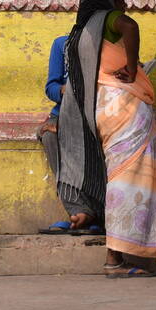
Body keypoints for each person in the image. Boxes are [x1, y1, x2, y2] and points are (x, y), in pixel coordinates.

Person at [57, 0, 156, 277]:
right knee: (130, 178)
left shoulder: (80, 32)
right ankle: (117, 256)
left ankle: (141, 252)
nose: (123, 5)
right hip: (123, 106)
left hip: (104, 108)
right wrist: (132, 62)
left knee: (149, 166)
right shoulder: (106, 17)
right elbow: (131, 26)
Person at [36, 33, 102, 235]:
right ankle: (78, 209)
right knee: (49, 136)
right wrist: (66, 91)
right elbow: (51, 87)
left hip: (97, 116)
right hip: (63, 115)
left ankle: (99, 212)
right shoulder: (61, 44)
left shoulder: (108, 45)